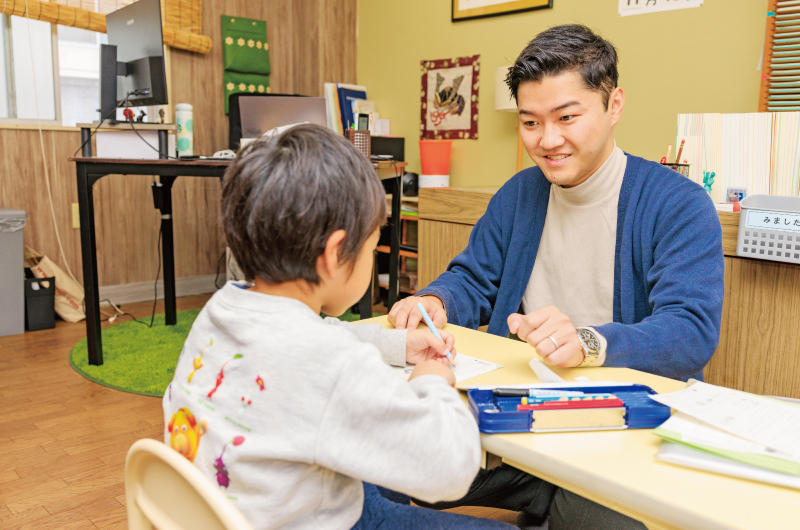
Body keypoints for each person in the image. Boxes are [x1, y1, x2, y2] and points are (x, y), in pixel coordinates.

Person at [389, 24, 724, 530]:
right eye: (530, 122)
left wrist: (588, 343)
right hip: (520, 420)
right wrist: (437, 300)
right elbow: (473, 279)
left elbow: (690, 330)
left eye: (567, 117)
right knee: (395, 463)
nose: (547, 140)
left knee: (602, 517)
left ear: (614, 106)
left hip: (619, 428)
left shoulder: (678, 204)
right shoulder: (520, 194)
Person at [162, 124, 515, 530]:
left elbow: (316, 338)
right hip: (312, 520)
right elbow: (451, 469)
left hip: (240, 510)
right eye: (372, 247)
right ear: (334, 255)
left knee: (380, 483)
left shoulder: (222, 308)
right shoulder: (333, 366)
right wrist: (434, 381)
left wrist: (396, 346)